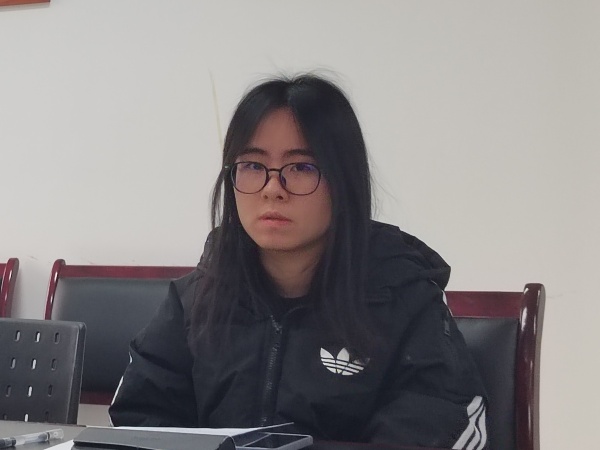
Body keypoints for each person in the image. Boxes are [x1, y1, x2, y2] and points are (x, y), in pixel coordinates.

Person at [109, 74, 488, 449]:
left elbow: (441, 426)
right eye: (253, 166)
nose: (272, 189)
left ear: (344, 182)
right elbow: (141, 417)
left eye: (302, 168)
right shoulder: (196, 298)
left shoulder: (405, 298)